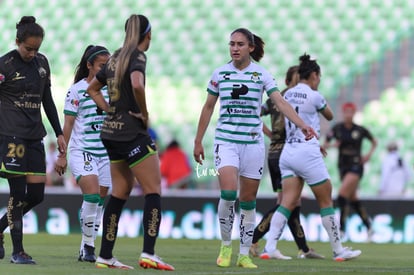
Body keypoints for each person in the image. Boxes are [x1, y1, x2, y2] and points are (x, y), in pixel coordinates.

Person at [193, 28, 316, 269]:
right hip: (226, 141)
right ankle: (226, 246)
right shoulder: (220, 74)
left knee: (248, 200)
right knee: (228, 194)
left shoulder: (261, 75)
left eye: (239, 44)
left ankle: (244, 254)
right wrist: (198, 140)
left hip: (252, 144)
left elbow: (280, 102)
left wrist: (301, 124)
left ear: (250, 47)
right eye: (231, 44)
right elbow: (208, 107)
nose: (234, 48)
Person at [86, 14, 174, 271]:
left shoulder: (114, 58)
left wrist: (108, 109)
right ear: (148, 34)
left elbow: (92, 88)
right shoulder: (137, 56)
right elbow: (137, 84)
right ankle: (149, 252)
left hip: (110, 133)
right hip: (131, 132)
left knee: (120, 192)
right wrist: (144, 115)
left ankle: (105, 255)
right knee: (153, 191)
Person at [260, 53, 361, 262]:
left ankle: (269, 247)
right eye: (319, 77)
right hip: (307, 152)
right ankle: (338, 250)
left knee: (286, 202)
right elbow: (330, 116)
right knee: (326, 199)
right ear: (314, 75)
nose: (319, 81)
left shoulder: (286, 94)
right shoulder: (315, 95)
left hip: (288, 152)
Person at [0, 16, 66, 264]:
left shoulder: (42, 63)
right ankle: (18, 251)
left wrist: (59, 132)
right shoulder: (4, 65)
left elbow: (46, 99)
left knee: (37, 195)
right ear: (17, 41)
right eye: (28, 48)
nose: (32, 53)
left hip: (35, 135)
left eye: (36, 48)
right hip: (11, 137)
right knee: (17, 194)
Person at [250, 65, 324, 260]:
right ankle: (253, 238)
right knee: (287, 202)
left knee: (290, 203)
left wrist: (270, 134)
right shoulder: (288, 98)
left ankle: (304, 248)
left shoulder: (275, 98)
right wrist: (271, 134)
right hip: (287, 150)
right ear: (291, 80)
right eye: (298, 76)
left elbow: (256, 113)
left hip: (276, 152)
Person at [55, 45, 111, 263]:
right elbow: (68, 124)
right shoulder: (76, 90)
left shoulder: (113, 90)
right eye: (102, 66)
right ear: (89, 65)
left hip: (106, 154)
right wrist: (62, 155)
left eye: (108, 66)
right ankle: (88, 247)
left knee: (99, 202)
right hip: (83, 150)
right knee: (92, 195)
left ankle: (86, 245)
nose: (106, 70)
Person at [323, 102, 377, 241]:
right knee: (353, 200)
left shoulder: (360, 130)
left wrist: (368, 155)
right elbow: (325, 143)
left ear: (354, 113)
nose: (348, 114)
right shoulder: (338, 129)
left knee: (342, 196)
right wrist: (333, 145)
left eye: (351, 112)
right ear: (343, 113)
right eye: (346, 112)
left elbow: (374, 141)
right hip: (342, 167)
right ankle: (369, 227)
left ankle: (341, 230)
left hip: (356, 166)